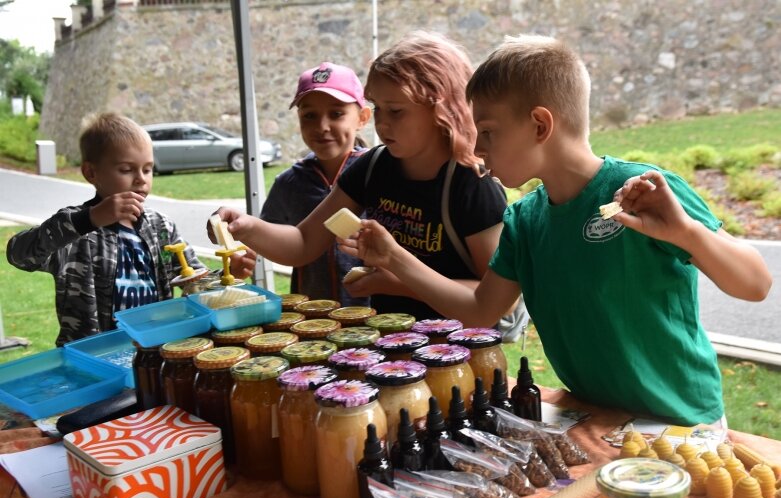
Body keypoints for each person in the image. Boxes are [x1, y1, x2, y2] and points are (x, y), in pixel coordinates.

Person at [340, 35, 773, 426]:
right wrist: (394, 257)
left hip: (680, 422)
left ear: (541, 126)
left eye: (488, 131)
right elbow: (480, 310)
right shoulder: (525, 220)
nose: (475, 147)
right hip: (593, 418)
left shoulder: (642, 190)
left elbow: (755, 284)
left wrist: (687, 233)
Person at [212, 32, 507, 319]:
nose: (381, 122)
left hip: (458, 357)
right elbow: (304, 242)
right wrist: (246, 226)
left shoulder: (472, 185)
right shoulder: (374, 167)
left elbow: (492, 303)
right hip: (390, 350)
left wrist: (397, 278)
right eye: (378, 107)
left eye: (396, 110)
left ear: (441, 109)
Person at [7, 113, 251, 346]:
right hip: (97, 358)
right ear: (91, 172)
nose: (141, 179)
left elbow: (192, 279)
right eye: (126, 169)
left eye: (147, 169)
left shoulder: (161, 227)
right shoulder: (75, 229)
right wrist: (90, 219)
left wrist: (227, 273)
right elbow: (18, 254)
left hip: (155, 349)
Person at [260, 62, 372, 306]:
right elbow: (271, 238)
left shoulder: (380, 174)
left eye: (336, 114)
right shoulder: (288, 183)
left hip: (376, 318)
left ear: (362, 118)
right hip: (313, 316)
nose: (322, 127)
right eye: (309, 115)